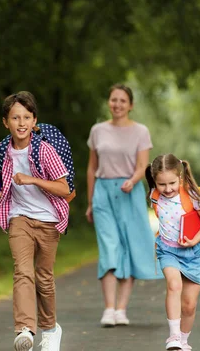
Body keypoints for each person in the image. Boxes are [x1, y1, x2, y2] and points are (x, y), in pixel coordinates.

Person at [0, 91, 70, 351]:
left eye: (26, 117)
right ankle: (25, 329)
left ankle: (50, 329)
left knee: (44, 278)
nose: (21, 123)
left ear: (35, 121)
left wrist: (33, 179)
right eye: (15, 117)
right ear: (6, 122)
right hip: (19, 217)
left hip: (48, 220)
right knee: (22, 271)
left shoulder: (44, 151)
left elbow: (64, 188)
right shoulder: (1, 150)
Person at [85, 83, 161, 327]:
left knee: (128, 249)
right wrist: (90, 201)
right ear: (109, 102)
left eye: (122, 101)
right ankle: (108, 309)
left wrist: (133, 180)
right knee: (109, 247)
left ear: (130, 105)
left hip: (129, 192)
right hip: (103, 193)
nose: (117, 104)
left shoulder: (140, 132)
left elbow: (142, 167)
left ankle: (121, 309)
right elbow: (91, 168)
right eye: (113, 100)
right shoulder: (98, 130)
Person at [145, 154, 200, 350]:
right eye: (162, 184)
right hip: (168, 250)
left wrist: (194, 240)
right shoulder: (154, 195)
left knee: (189, 305)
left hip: (193, 254)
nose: (167, 189)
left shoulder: (192, 196)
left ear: (181, 178)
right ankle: (174, 337)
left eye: (172, 183)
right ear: (155, 182)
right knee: (174, 285)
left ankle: (183, 342)